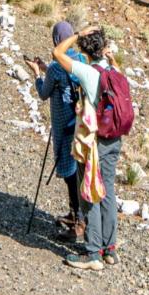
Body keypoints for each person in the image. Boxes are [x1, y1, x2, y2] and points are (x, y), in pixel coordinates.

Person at [52, 24, 123, 270]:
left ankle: (93, 254)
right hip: (114, 139)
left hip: (93, 141)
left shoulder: (87, 72)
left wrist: (77, 34)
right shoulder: (112, 70)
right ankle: (109, 249)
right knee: (108, 191)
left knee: (90, 190)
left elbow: (58, 54)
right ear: (103, 48)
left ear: (84, 49)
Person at [27, 20, 88, 245]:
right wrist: (45, 68)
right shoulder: (81, 60)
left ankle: (77, 221)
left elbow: (44, 93)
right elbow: (65, 80)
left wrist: (37, 74)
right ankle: (79, 216)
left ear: (55, 40)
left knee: (69, 172)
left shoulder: (55, 67)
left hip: (63, 124)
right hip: (80, 123)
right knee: (79, 170)